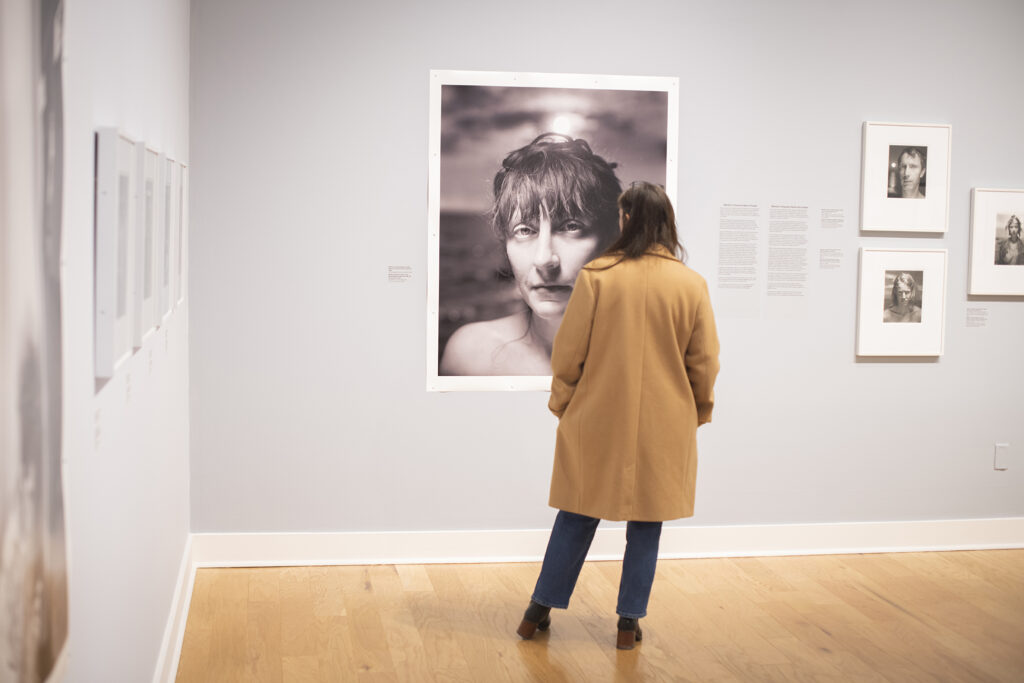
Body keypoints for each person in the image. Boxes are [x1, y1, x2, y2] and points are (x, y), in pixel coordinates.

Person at [516, 182, 720, 650]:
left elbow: (569, 352)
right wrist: (699, 409)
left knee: (577, 514)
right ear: (668, 223)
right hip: (665, 423)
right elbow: (704, 361)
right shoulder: (691, 285)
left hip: (596, 416)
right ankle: (628, 625)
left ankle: (536, 612)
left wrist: (562, 402)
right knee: (647, 522)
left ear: (625, 219)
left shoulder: (598, 275)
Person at [439, 133, 621, 376]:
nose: (544, 259)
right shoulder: (471, 356)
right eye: (525, 230)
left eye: (571, 226)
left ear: (613, 241)